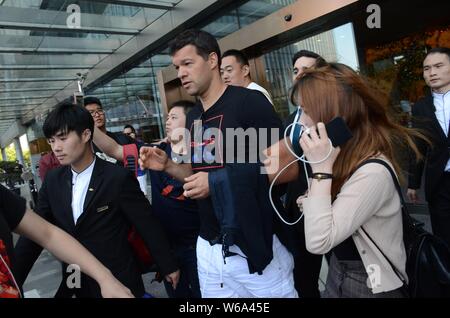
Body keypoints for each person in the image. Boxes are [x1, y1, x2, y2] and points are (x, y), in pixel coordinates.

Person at [140, 29, 297, 298]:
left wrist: (215, 182)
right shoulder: (194, 118)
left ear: (212, 60)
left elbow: (287, 167)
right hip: (210, 247)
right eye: (177, 67)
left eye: (188, 64)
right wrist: (168, 166)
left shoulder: (248, 102)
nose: (181, 73)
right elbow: (201, 173)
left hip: (254, 245)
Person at [14, 103, 179, 298]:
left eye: (63, 138)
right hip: (74, 278)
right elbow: (36, 232)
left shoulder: (116, 178)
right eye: (51, 140)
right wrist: (12, 278)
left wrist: (168, 265)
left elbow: (147, 223)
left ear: (85, 135)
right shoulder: (53, 180)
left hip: (118, 278)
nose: (56, 147)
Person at [295, 63, 426, 297]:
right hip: (339, 270)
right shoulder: (340, 155)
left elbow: (318, 242)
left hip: (370, 279)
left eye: (306, 110)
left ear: (334, 114)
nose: (302, 122)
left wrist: (321, 171)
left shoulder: (372, 172)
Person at [91, 101, 202, 298]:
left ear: (191, 124)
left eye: (174, 118)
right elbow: (115, 150)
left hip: (199, 246)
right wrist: (86, 123)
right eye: (167, 117)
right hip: (168, 248)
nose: (167, 121)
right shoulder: (154, 151)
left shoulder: (202, 157)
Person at [0, 184, 133, 298]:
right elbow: (29, 245)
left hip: (95, 264)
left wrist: (105, 278)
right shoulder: (52, 180)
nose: (57, 151)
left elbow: (47, 233)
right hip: (72, 270)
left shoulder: (113, 176)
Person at [282, 50, 328, 297]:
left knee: (343, 270)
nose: (300, 75)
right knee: (304, 278)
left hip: (333, 206)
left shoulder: (333, 114)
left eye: (306, 71)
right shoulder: (288, 121)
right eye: (296, 70)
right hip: (298, 212)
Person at [407, 47, 450, 248]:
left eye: (438, 66)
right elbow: (418, 146)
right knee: (443, 236)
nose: (432, 72)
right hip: (439, 182)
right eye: (426, 68)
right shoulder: (420, 107)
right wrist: (413, 183)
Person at [84, 96, 134, 165]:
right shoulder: (85, 147)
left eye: (99, 110)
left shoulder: (123, 138)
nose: (97, 115)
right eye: (91, 112)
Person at [122, 125, 148, 195]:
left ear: (133, 133)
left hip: (140, 174)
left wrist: (133, 141)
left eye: (128, 134)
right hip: (129, 175)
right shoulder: (122, 145)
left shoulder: (139, 143)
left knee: (143, 194)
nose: (126, 136)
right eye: (124, 134)